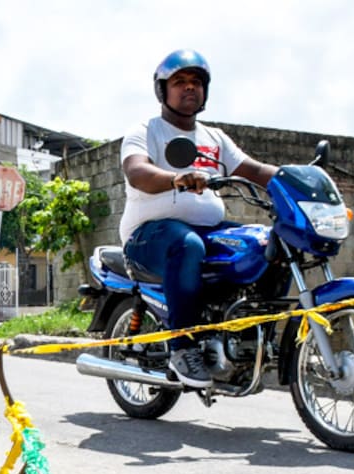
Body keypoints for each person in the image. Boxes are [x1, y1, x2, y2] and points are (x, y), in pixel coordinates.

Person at [119, 48, 279, 388]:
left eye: (196, 81)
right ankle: (183, 347)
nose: (189, 87)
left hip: (206, 230)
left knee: (269, 244)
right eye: (179, 81)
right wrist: (176, 178)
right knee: (187, 244)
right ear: (162, 90)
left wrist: (293, 178)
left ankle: (254, 340)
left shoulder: (215, 137)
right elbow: (137, 172)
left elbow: (253, 170)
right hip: (149, 236)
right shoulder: (146, 130)